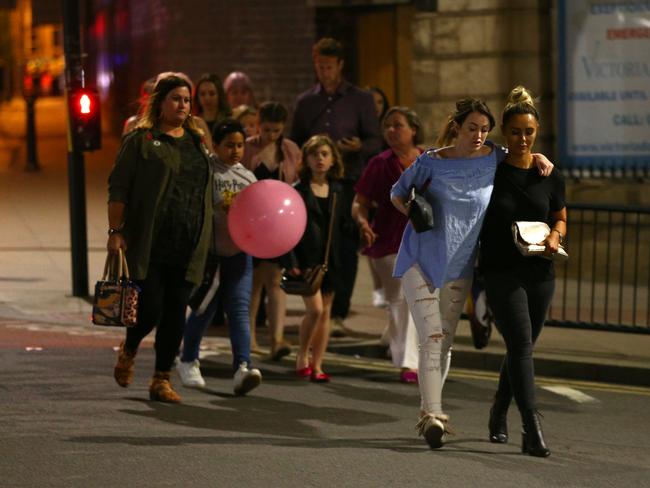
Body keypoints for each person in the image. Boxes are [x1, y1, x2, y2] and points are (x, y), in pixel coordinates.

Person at [390, 97, 553, 449]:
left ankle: (426, 408)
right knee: (432, 337)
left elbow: (520, 160)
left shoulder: (493, 157)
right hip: (421, 259)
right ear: (457, 126)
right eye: (472, 128)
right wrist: (414, 214)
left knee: (444, 342)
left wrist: (538, 157)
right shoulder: (431, 161)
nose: (479, 135)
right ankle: (434, 416)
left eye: (484, 129)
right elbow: (397, 193)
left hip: (460, 265)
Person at [109, 74, 213, 403]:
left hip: (189, 240)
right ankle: (129, 348)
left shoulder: (196, 140)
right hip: (150, 241)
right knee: (150, 308)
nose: (182, 105)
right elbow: (119, 186)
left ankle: (161, 379)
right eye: (175, 99)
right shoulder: (141, 139)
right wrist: (116, 231)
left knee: (175, 312)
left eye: (186, 99)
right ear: (161, 102)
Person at [480, 86, 566, 458]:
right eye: (515, 131)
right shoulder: (490, 170)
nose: (522, 138)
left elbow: (559, 215)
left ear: (537, 132)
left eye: (529, 132)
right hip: (501, 271)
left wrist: (556, 236)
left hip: (540, 271)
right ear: (503, 130)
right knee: (519, 344)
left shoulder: (549, 173)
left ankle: (499, 408)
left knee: (522, 348)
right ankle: (532, 427)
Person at [290, 37, 382, 335]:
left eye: (329, 66)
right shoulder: (306, 102)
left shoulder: (360, 99)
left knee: (344, 245)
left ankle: (339, 310)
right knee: (316, 243)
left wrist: (359, 146)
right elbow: (296, 140)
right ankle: (318, 304)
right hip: (315, 183)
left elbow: (375, 140)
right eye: (319, 66)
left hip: (347, 180)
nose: (324, 71)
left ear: (340, 66)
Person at [176, 119, 262, 396]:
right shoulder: (206, 171)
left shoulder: (249, 177)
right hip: (211, 256)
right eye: (229, 145)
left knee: (238, 311)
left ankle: (242, 367)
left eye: (240, 145)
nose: (236, 151)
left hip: (239, 255)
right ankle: (187, 359)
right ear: (215, 145)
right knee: (203, 309)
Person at [352, 106, 422, 384]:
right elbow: (360, 203)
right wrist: (363, 223)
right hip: (389, 241)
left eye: (398, 125)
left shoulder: (429, 160)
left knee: (414, 300)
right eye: (388, 126)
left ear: (413, 129)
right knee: (404, 298)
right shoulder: (379, 164)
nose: (392, 130)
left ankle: (391, 335)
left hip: (425, 240)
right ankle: (408, 363)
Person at [242, 101, 301, 359]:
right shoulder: (246, 147)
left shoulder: (289, 149)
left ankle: (277, 339)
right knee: (253, 284)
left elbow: (296, 182)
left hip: (279, 224)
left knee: (277, 282)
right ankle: (250, 338)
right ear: (258, 122)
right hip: (251, 222)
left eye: (276, 131)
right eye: (266, 129)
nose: (271, 135)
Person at [288, 135, 347, 382]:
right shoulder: (298, 190)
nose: (320, 159)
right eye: (314, 155)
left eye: (324, 154)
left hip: (330, 260)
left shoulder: (339, 190)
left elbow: (344, 226)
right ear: (306, 160)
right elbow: (288, 229)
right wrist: (291, 262)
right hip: (307, 260)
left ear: (333, 159)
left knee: (325, 314)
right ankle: (302, 354)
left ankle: (318, 364)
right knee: (315, 310)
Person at [365, 86, 391, 309]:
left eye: (379, 103)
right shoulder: (363, 128)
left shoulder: (389, 129)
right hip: (368, 187)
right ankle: (377, 286)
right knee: (371, 238)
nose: (375, 107)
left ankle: (385, 286)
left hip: (389, 191)